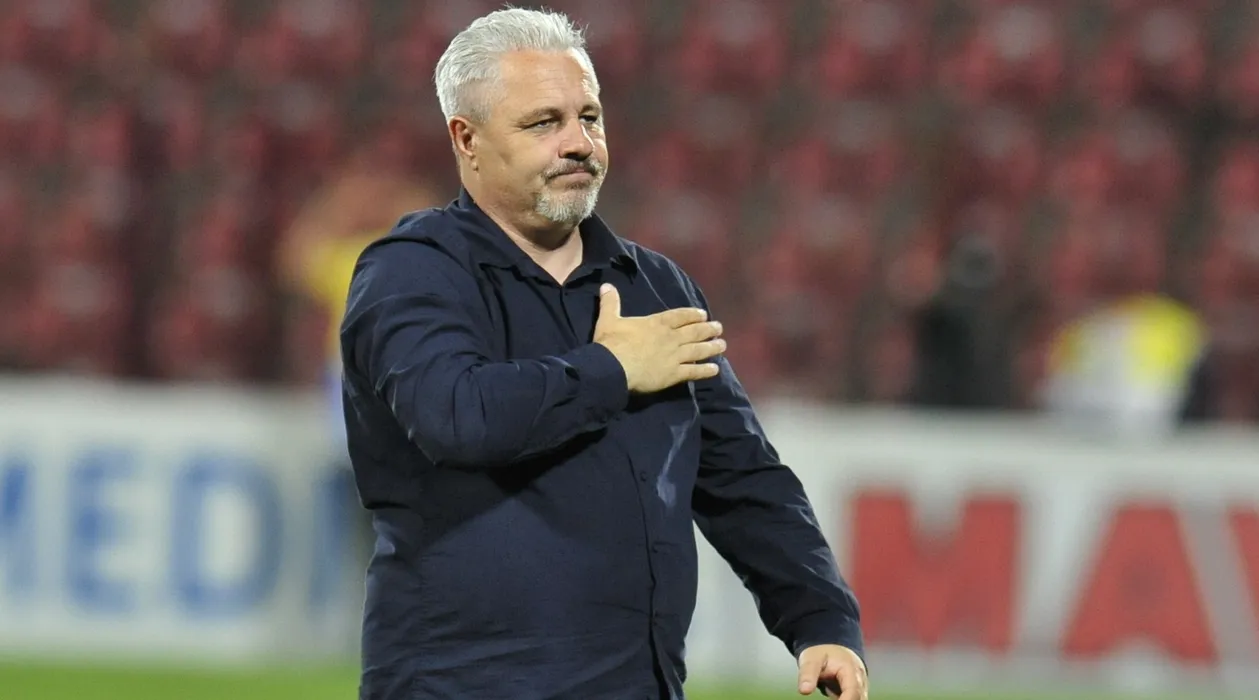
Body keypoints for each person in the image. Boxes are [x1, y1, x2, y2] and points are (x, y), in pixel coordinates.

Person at [339, 8, 867, 700]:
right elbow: (458, 417)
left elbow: (742, 476)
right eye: (543, 123)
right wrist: (612, 371)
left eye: (589, 117)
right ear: (466, 139)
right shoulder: (410, 272)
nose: (578, 143)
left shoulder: (656, 287)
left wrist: (820, 618)